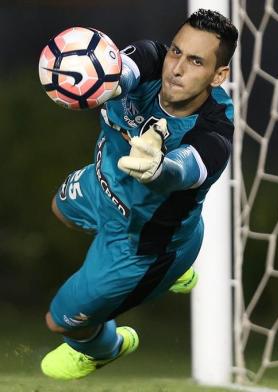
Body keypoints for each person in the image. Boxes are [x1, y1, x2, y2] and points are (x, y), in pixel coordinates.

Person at [41, 9, 238, 380]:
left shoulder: (215, 131)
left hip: (141, 244)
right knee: (59, 209)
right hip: (101, 187)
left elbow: (183, 169)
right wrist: (102, 84)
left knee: (61, 321)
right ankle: (173, 268)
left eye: (195, 61)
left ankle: (105, 348)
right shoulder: (151, 59)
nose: (176, 68)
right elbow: (118, 72)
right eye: (177, 52)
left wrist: (159, 167)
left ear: (218, 75)